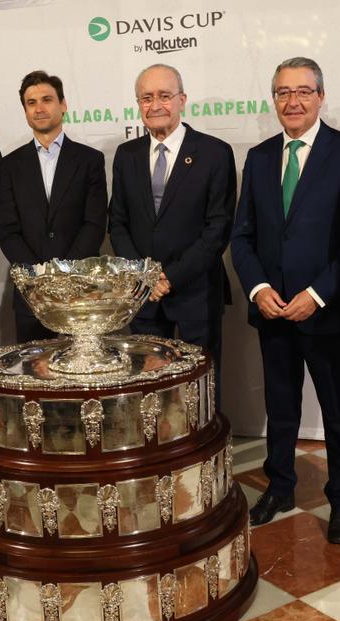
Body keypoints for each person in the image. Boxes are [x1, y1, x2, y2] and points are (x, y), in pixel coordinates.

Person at [230, 57, 340, 544]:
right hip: (272, 312)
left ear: (321, 96)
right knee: (281, 407)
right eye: (283, 93)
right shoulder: (261, 157)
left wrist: (316, 294)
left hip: (327, 312)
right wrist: (259, 288)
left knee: (338, 410)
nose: (293, 101)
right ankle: (280, 487)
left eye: (303, 91)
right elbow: (241, 237)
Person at [108, 64, 236, 404]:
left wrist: (170, 277)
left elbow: (218, 227)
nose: (156, 105)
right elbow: (117, 223)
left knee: (202, 386)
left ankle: (204, 452)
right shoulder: (126, 155)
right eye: (146, 98)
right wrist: (146, 277)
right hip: (144, 296)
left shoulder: (214, 152)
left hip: (196, 293)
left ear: (182, 100)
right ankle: (159, 454)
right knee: (150, 388)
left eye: (164, 96)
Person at [0, 70, 108, 343]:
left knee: (80, 375)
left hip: (79, 289)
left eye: (47, 99)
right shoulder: (10, 165)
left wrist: (65, 275)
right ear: (25, 110)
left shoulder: (90, 160)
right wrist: (40, 278)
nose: (39, 108)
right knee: (35, 375)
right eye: (31, 102)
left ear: (63, 104)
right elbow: (7, 229)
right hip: (31, 292)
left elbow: (94, 223)